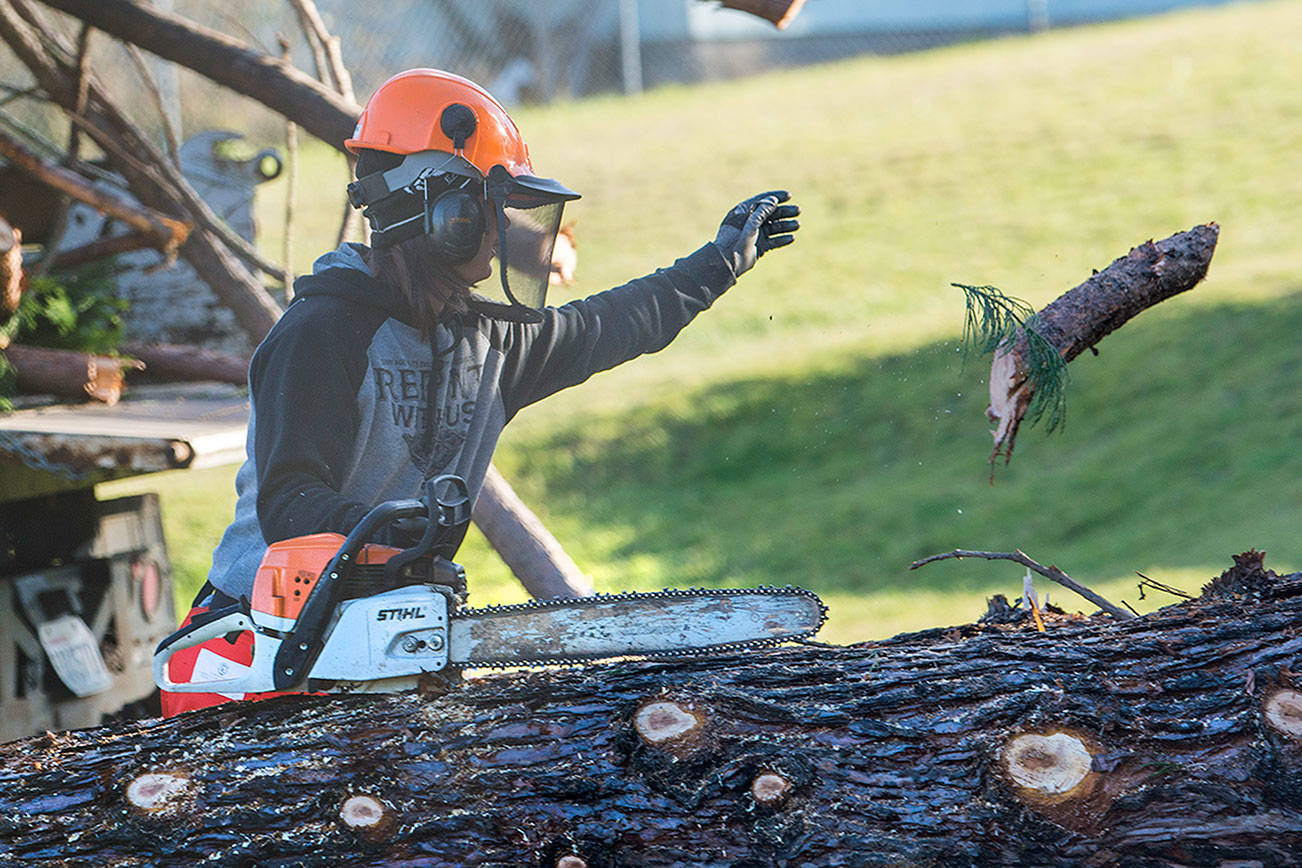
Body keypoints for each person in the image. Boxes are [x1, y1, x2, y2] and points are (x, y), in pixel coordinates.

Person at [159, 68, 799, 715]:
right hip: (254, 650)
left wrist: (717, 265)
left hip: (377, 646)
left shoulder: (485, 346)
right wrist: (392, 533)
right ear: (443, 212)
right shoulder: (322, 333)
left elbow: (604, 327)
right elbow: (290, 501)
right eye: (489, 215)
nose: (500, 236)